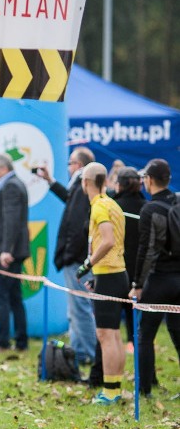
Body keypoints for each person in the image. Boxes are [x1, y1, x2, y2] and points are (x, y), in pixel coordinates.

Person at [35, 146, 96, 365]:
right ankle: (81, 350)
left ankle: (87, 353)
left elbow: (77, 224)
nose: (68, 166)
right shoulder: (80, 187)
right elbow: (69, 200)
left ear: (78, 166)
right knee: (76, 308)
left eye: (70, 162)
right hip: (77, 258)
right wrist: (50, 181)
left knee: (80, 308)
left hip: (76, 259)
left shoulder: (82, 186)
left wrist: (69, 255)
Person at [128, 159, 180, 398]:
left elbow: (147, 250)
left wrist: (138, 284)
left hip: (160, 279)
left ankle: (145, 390)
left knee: (145, 333)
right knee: (177, 331)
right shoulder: (178, 201)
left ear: (148, 180)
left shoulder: (150, 209)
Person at [77, 162, 127, 405]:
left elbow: (106, 240)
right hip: (116, 273)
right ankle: (115, 385)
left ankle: (109, 390)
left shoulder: (98, 207)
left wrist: (88, 263)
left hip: (109, 274)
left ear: (86, 182)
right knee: (114, 334)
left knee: (106, 335)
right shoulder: (113, 203)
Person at [0, 154, 30, 353]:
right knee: (14, 297)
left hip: (8, 254)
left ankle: (3, 342)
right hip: (11, 252)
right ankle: (21, 342)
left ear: (3, 168)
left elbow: (11, 221)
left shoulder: (11, 186)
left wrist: (6, 250)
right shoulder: (13, 184)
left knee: (1, 297)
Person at [112, 167, 146, 352]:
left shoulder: (113, 207)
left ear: (120, 185)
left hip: (117, 270)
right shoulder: (146, 207)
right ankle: (144, 368)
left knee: (110, 326)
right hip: (140, 272)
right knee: (140, 326)